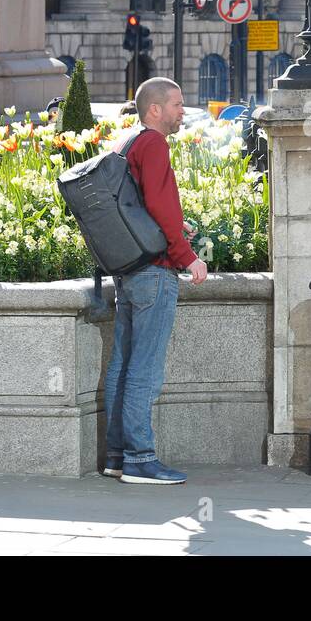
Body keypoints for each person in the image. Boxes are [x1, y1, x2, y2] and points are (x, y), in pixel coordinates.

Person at [102, 77, 208, 485]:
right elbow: (161, 209)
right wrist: (188, 257)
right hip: (155, 271)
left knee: (123, 367)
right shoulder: (155, 145)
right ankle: (140, 460)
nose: (183, 111)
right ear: (155, 110)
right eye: (178, 105)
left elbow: (139, 207)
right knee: (144, 371)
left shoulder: (127, 143)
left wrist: (173, 227)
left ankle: (116, 456)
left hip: (128, 271)